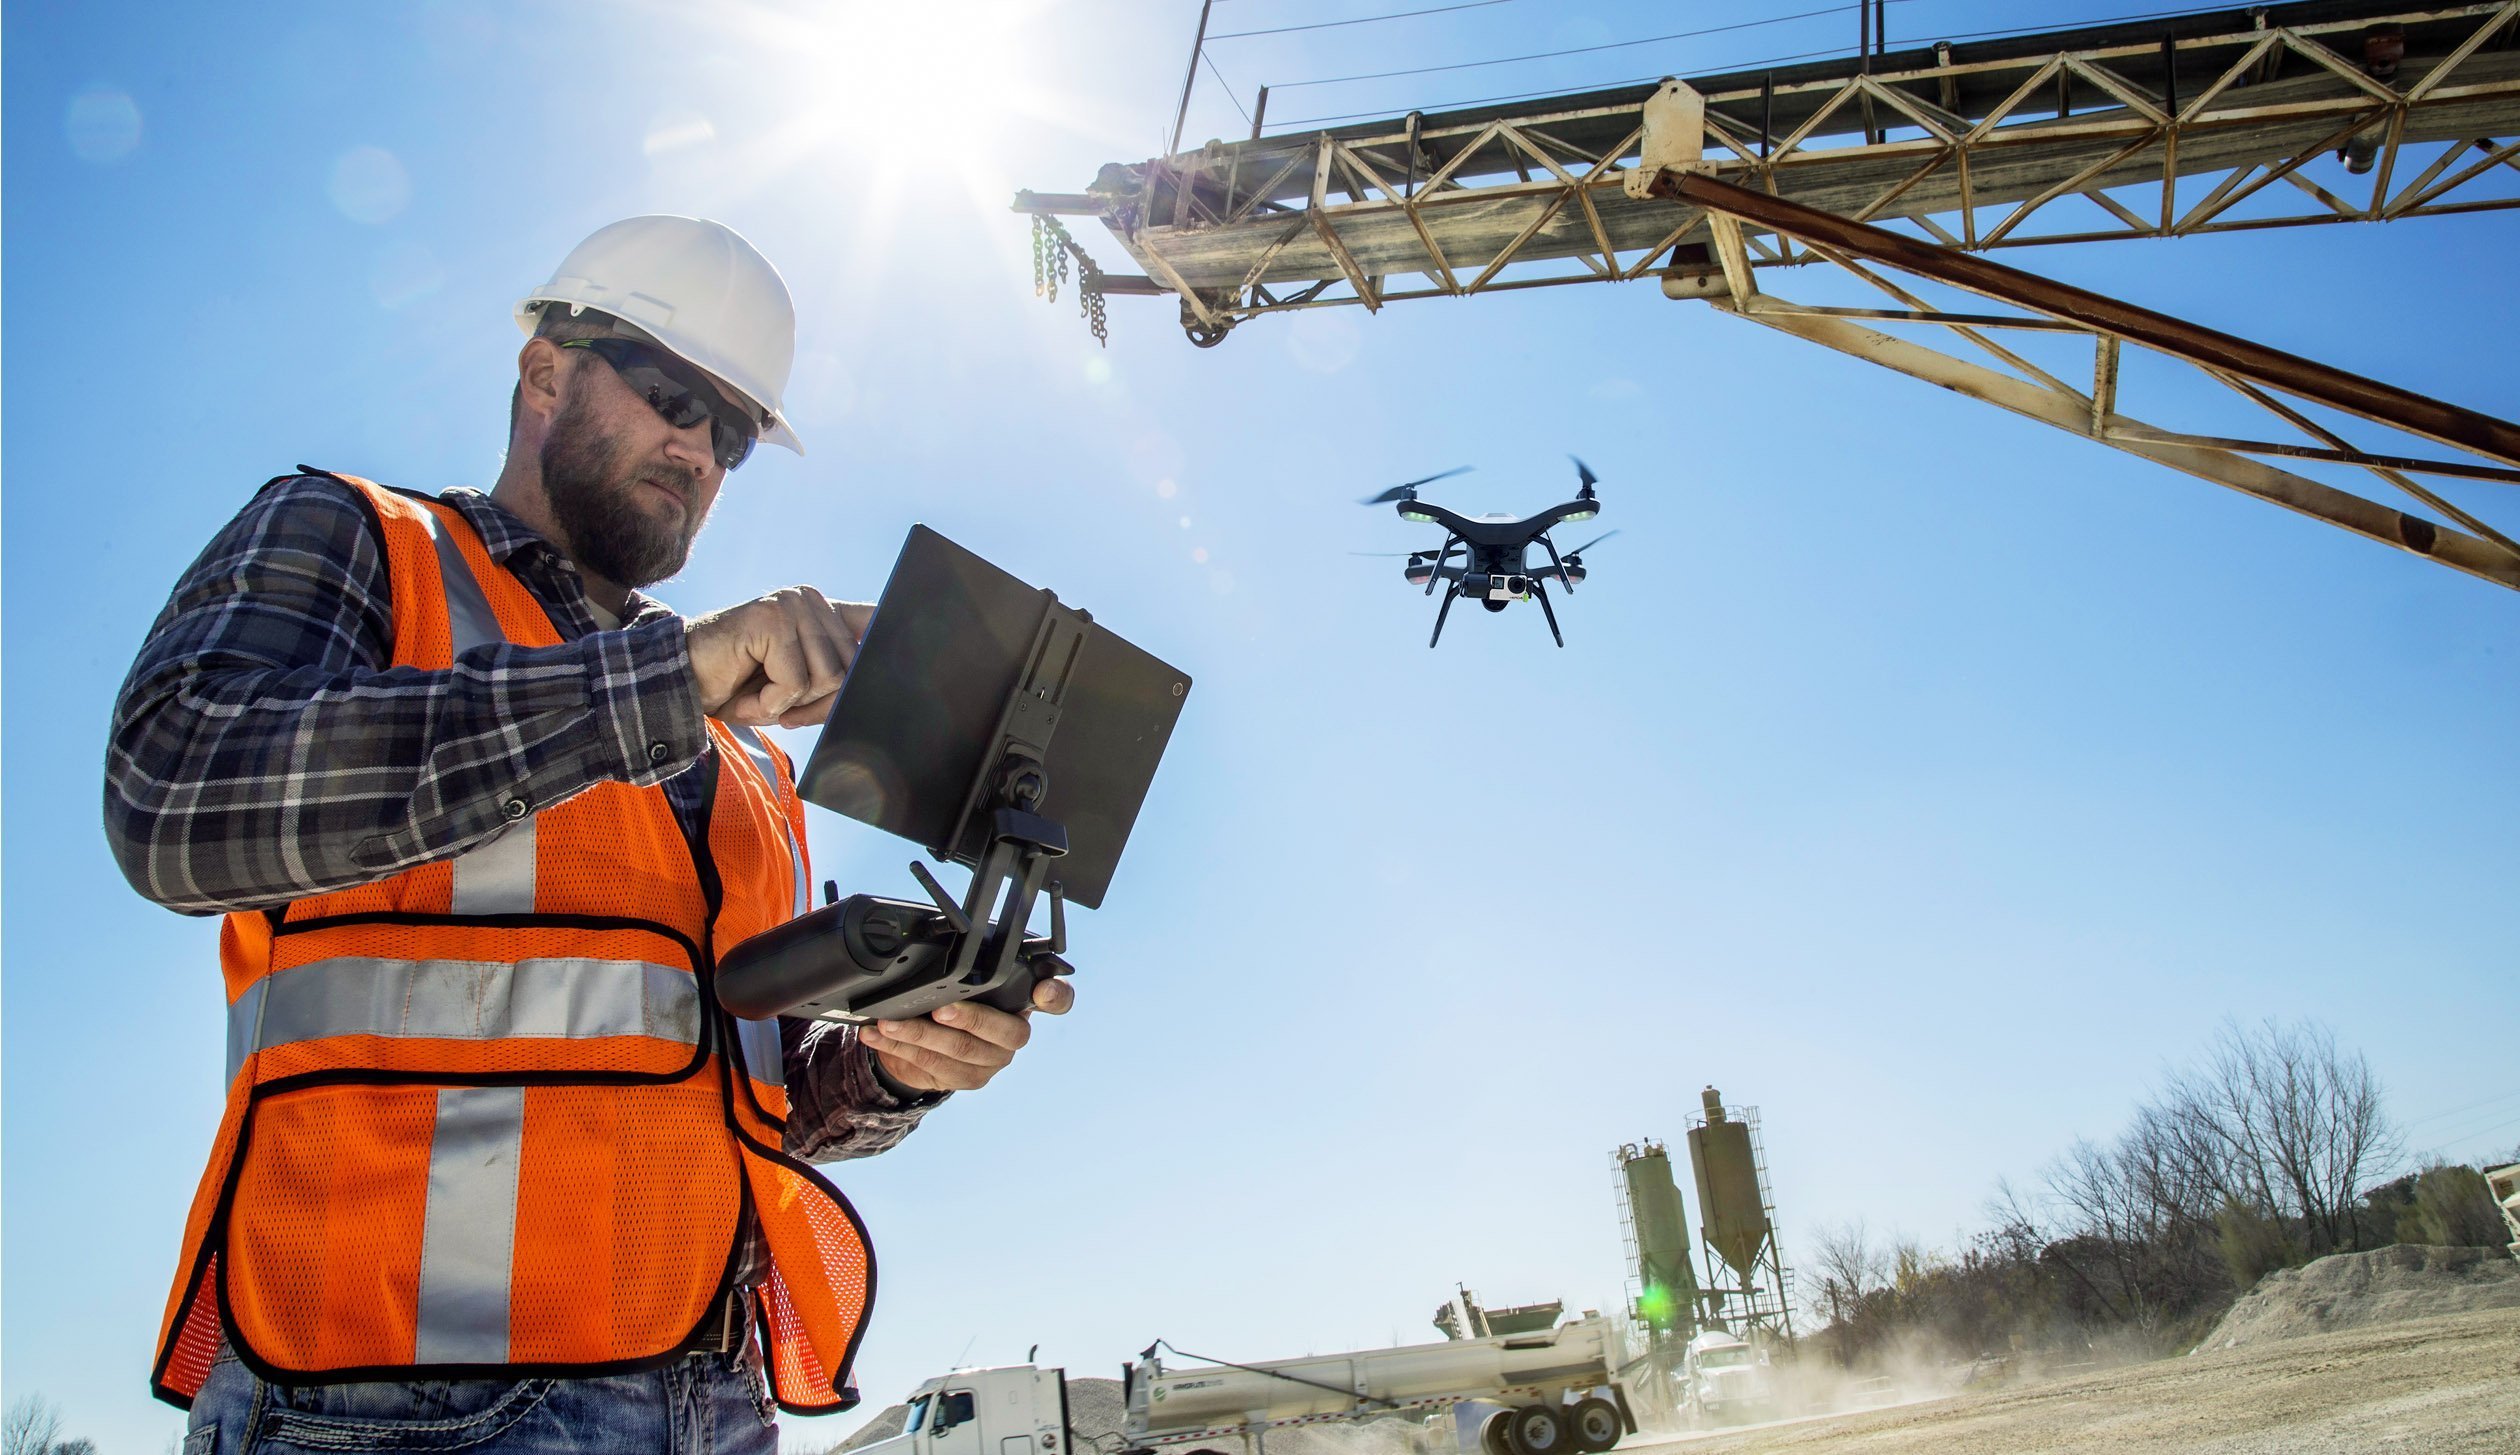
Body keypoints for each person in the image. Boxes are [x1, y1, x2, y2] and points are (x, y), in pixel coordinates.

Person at [103, 215, 1072, 1454]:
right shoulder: (364, 540)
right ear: (546, 373)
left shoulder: (743, 752)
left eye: (730, 436)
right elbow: (176, 795)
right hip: (385, 1400)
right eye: (674, 397)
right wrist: (662, 682)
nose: (699, 451)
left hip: (703, 1399)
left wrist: (890, 1066)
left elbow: (741, 1092)